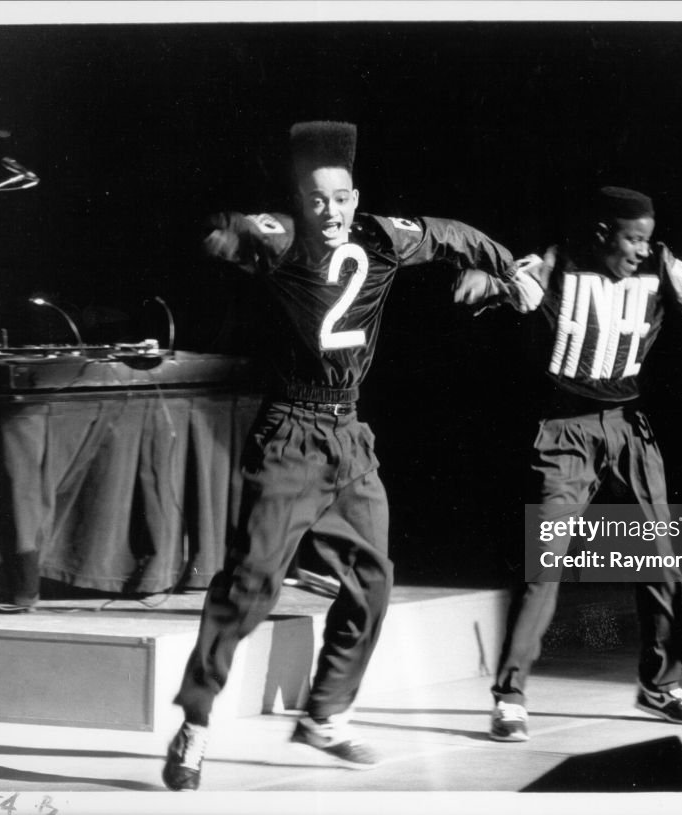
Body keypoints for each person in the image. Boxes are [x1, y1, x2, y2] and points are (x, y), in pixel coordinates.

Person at [162, 120, 543, 791]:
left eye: (339, 198)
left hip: (349, 437)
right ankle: (195, 721)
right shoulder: (281, 238)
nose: (329, 211)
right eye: (316, 199)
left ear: (355, 197)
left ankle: (325, 713)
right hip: (289, 436)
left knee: (373, 581)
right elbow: (225, 231)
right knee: (250, 588)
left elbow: (451, 234)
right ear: (298, 200)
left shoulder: (382, 236)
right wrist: (224, 234)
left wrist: (507, 269)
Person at [478, 186, 682, 742]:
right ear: (603, 234)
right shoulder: (557, 264)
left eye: (647, 239)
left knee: (660, 558)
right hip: (564, 433)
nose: (642, 249)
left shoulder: (662, 266)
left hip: (627, 427)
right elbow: (510, 284)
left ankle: (660, 686)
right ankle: (510, 697)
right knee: (543, 564)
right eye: (633, 239)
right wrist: (489, 287)